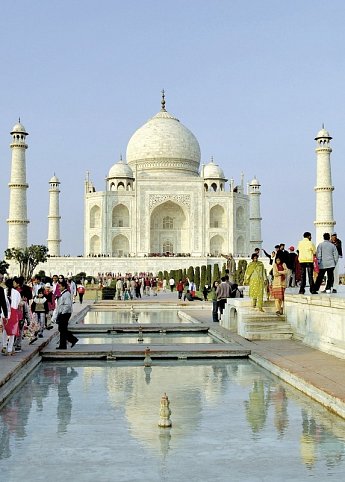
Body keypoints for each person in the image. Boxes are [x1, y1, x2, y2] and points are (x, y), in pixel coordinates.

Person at [54, 279, 78, 350]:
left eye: (60, 286)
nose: (59, 288)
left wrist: (62, 313)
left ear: (64, 286)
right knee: (62, 329)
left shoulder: (66, 294)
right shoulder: (63, 294)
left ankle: (71, 340)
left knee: (62, 329)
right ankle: (64, 344)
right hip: (63, 313)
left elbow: (67, 305)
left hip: (65, 313)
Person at [2, 278, 21, 356]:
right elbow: (18, 302)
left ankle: (4, 346)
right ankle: (10, 349)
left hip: (4, 313)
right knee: (13, 332)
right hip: (13, 313)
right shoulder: (16, 292)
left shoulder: (3, 291)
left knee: (5, 330)